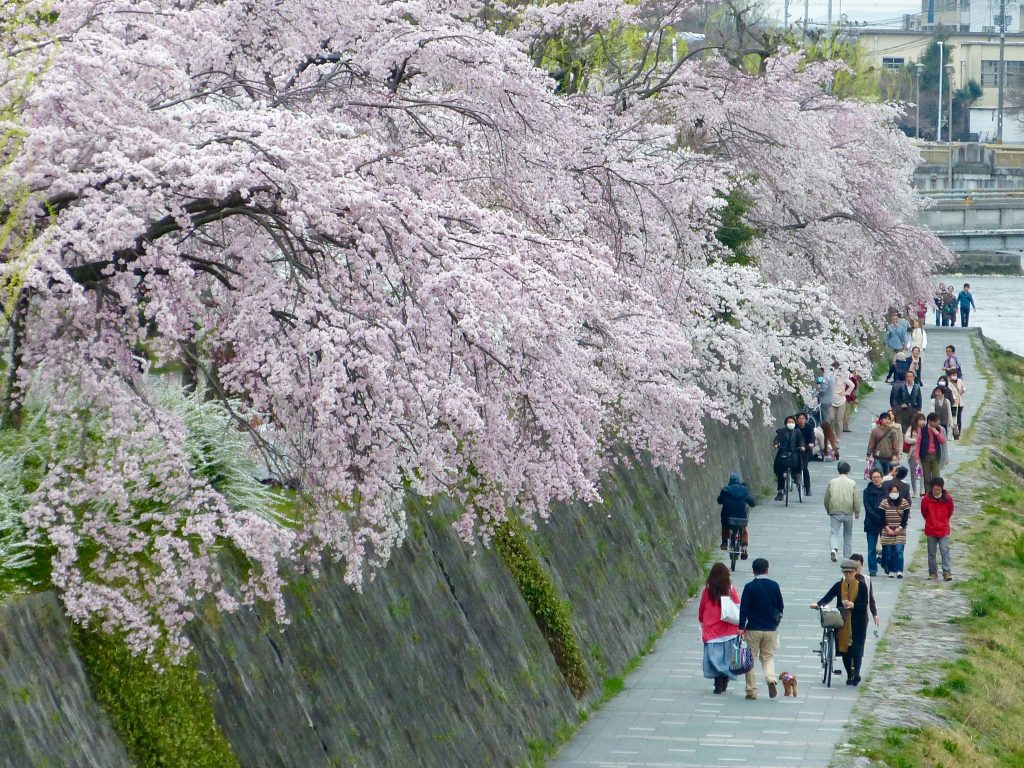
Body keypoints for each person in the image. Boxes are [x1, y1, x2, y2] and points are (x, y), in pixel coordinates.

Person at [810, 559, 869, 685]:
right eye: (845, 573)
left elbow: (864, 605)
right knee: (845, 650)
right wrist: (818, 604)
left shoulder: (861, 586)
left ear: (855, 573)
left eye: (850, 573)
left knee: (857, 649)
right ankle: (849, 674)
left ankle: (857, 673)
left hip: (858, 622)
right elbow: (827, 597)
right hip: (842, 621)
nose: (847, 575)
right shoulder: (839, 585)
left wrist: (853, 605)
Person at [738, 558, 785, 700]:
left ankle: (751, 691)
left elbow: (743, 608)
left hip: (753, 628)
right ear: (767, 569)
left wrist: (741, 626)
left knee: (750, 658)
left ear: (753, 571)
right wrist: (776, 622)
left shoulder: (749, 587)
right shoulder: (774, 586)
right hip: (770, 628)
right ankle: (771, 679)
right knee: (767, 656)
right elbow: (780, 606)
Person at [699, 563, 741, 694]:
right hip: (729, 629)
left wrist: (701, 619)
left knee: (714, 658)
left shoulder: (707, 591)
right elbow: (737, 606)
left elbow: (702, 608)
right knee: (727, 658)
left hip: (712, 630)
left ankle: (718, 682)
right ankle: (725, 679)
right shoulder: (730, 589)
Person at [824, 461, 861, 562]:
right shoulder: (852, 483)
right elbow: (856, 499)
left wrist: (828, 509)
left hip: (835, 511)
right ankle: (847, 556)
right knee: (848, 534)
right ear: (848, 471)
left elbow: (827, 498)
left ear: (838, 470)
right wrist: (857, 511)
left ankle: (834, 549)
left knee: (834, 532)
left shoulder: (832, 482)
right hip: (848, 511)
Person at [920, 477, 955, 581]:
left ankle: (946, 572)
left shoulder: (948, 499)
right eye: (935, 489)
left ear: (942, 488)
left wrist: (944, 521)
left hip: (943, 529)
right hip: (931, 529)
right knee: (931, 553)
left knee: (945, 551)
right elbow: (924, 512)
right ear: (932, 489)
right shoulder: (926, 499)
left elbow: (950, 511)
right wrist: (930, 521)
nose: (936, 491)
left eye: (938, 489)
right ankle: (932, 572)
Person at [718, 472, 756, 557]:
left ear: (730, 481)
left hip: (728, 518)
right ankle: (744, 545)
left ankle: (724, 542)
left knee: (725, 526)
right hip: (741, 518)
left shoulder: (725, 490)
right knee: (743, 529)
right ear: (739, 480)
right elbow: (752, 502)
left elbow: (719, 501)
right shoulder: (744, 490)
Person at [879, 483, 911, 578]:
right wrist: (887, 528)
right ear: (889, 492)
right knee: (889, 552)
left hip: (900, 531)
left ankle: (899, 570)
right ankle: (891, 569)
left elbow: (905, 518)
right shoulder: (884, 503)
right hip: (887, 531)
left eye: (896, 491)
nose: (894, 493)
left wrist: (900, 528)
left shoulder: (904, 503)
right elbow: (881, 517)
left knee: (898, 551)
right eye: (892, 491)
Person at [772, 415, 805, 501]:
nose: (790, 423)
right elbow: (777, 439)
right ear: (786, 423)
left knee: (796, 465)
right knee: (780, 471)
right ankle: (780, 491)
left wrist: (802, 446)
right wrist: (776, 444)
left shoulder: (797, 432)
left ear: (795, 423)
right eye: (789, 422)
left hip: (794, 453)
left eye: (792, 422)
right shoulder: (782, 432)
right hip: (783, 453)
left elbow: (801, 440)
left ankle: (797, 479)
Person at [862, 469, 887, 577]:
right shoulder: (867, 491)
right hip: (871, 522)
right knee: (871, 548)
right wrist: (877, 518)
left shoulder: (887, 490)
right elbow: (868, 508)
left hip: (884, 522)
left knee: (886, 547)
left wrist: (884, 519)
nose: (876, 479)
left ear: (882, 478)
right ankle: (873, 569)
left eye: (878, 477)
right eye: (874, 477)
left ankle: (886, 564)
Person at [849, 554, 879, 630]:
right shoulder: (845, 580)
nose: (855, 569)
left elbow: (871, 599)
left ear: (862, 565)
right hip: (849, 615)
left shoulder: (867, 579)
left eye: (858, 566)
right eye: (853, 566)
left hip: (863, 615)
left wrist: (875, 614)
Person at [916, 412, 946, 487]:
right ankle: (928, 494)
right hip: (925, 456)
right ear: (930, 421)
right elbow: (918, 443)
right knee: (927, 477)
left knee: (936, 476)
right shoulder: (922, 430)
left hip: (936, 456)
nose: (938, 423)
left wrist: (936, 432)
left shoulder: (939, 429)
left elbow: (942, 441)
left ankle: (937, 492)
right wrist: (916, 457)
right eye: (936, 421)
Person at [904, 413, 926, 497]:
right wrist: (916, 440)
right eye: (920, 420)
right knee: (913, 472)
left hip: (922, 453)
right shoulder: (912, 428)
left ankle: (921, 490)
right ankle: (914, 491)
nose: (922, 421)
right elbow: (906, 439)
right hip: (912, 452)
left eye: (923, 419)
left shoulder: (926, 429)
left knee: (922, 472)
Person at [828, 366, 854, 435]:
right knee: (831, 418)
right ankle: (832, 433)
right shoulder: (830, 377)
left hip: (841, 401)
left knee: (839, 419)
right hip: (832, 400)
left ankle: (839, 435)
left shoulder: (844, 378)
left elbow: (852, 385)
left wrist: (846, 393)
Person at [795, 412, 816, 495]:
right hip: (795, 449)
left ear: (806, 420)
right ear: (797, 420)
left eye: (802, 418)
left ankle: (807, 488)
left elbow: (812, 438)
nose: (801, 420)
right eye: (799, 418)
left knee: (804, 468)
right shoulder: (794, 428)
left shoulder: (809, 428)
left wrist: (811, 444)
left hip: (806, 450)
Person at [931, 387, 953, 463]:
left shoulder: (947, 401)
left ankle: (944, 456)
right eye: (936, 392)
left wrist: (951, 423)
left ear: (942, 393)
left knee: (944, 441)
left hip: (944, 423)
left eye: (938, 392)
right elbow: (932, 412)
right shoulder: (933, 401)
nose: (937, 393)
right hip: (936, 424)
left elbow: (949, 412)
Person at [948, 371, 966, 439]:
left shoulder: (960, 381)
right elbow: (951, 392)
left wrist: (962, 390)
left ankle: (959, 433)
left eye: (955, 374)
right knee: (953, 418)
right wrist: (954, 399)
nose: (954, 376)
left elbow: (964, 388)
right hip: (953, 403)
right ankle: (953, 433)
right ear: (950, 376)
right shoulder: (949, 383)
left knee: (959, 418)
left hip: (960, 403)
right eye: (952, 374)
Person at [842, 368, 859, 433]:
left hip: (847, 397)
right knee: (846, 413)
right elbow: (852, 389)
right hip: (846, 398)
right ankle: (845, 427)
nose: (855, 374)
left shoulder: (850, 379)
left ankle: (845, 427)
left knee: (845, 413)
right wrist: (854, 398)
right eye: (854, 373)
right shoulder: (850, 379)